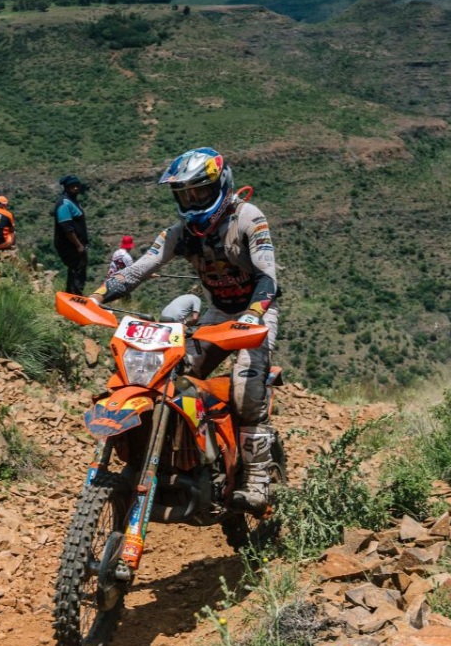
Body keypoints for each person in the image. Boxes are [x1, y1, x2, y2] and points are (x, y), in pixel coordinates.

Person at [89, 148, 281, 512]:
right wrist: (97, 296)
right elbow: (140, 268)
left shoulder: (248, 218)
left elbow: (267, 277)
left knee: (246, 389)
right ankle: (186, 456)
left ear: (221, 185)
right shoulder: (181, 233)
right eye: (185, 194)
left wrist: (253, 315)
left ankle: (257, 478)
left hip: (255, 313)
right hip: (218, 313)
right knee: (172, 374)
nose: (192, 201)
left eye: (200, 191)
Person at [52, 174, 89, 295]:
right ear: (66, 187)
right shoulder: (64, 203)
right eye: (72, 186)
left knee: (76, 271)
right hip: (70, 245)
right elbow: (67, 228)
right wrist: (78, 245)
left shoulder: (73, 201)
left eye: (77, 186)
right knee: (77, 271)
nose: (76, 188)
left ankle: (71, 295)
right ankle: (75, 296)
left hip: (76, 244)